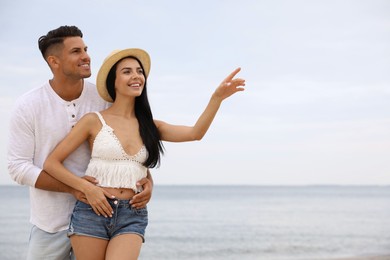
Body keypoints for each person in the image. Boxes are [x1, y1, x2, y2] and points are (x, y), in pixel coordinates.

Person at [43, 47, 246, 259]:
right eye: (127, 71)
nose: (136, 76)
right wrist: (85, 187)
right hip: (93, 210)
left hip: (132, 213)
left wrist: (216, 98)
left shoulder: (150, 126)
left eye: (139, 71)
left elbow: (195, 133)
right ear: (113, 80)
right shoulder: (93, 120)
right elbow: (52, 163)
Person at [7, 26, 153, 260]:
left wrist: (147, 182)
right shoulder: (28, 105)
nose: (86, 56)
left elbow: (126, 149)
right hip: (51, 223)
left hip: (104, 215)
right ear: (54, 61)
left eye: (85, 49)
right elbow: (18, 167)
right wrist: (78, 188)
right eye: (76, 51)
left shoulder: (104, 100)